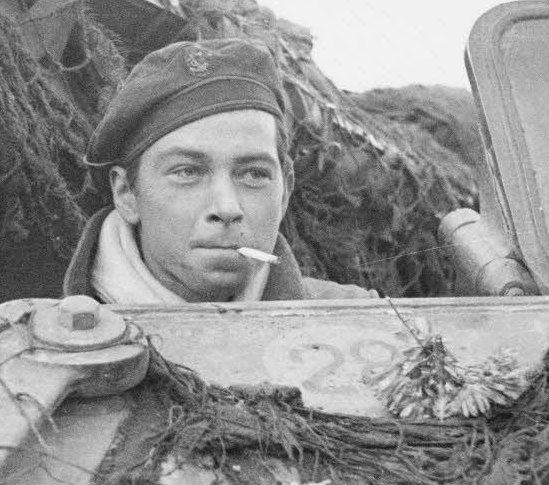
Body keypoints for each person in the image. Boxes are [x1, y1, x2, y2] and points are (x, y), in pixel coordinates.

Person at [63, 37, 377, 304]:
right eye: (187, 172)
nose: (226, 208)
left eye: (254, 175)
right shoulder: (34, 339)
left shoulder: (368, 323)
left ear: (285, 192)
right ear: (127, 194)